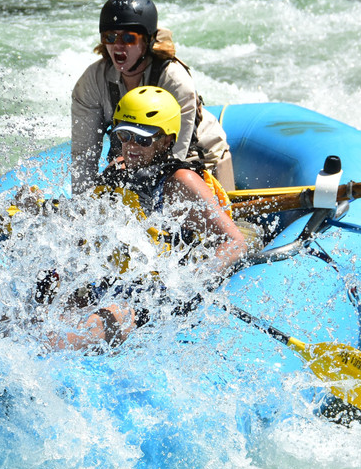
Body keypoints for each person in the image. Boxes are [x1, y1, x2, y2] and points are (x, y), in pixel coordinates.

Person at [37, 85, 248, 352]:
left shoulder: (181, 182)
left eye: (143, 139)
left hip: (157, 292)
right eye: (124, 135)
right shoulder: (119, 174)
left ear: (167, 140)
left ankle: (44, 358)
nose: (131, 146)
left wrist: (186, 282)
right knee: (53, 304)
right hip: (116, 277)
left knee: (108, 317)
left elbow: (235, 242)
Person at [70, 0, 234, 196]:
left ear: (147, 41)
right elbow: (83, 157)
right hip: (137, 154)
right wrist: (82, 206)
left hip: (197, 156)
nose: (118, 45)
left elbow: (175, 161)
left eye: (129, 38)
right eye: (110, 37)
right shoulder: (92, 81)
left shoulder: (174, 80)